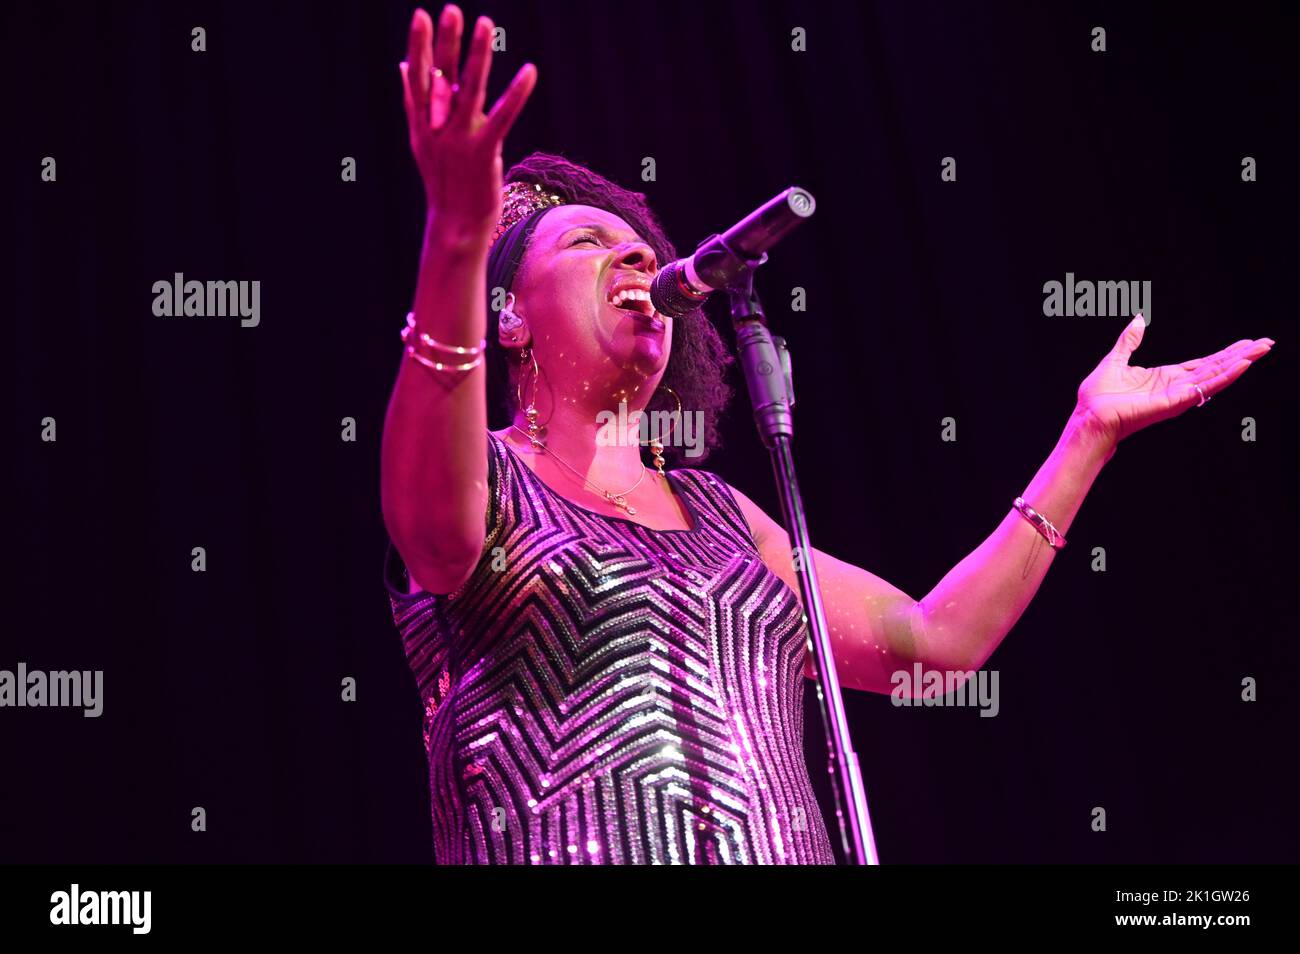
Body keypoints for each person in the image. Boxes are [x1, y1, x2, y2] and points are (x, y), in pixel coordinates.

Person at [380, 5, 1275, 865]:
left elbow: (933, 642)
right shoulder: (489, 480)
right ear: (508, 319)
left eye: (644, 246)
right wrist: (456, 239)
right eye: (586, 242)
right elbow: (435, 527)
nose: (638, 257)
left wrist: (1088, 436)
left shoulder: (722, 515)